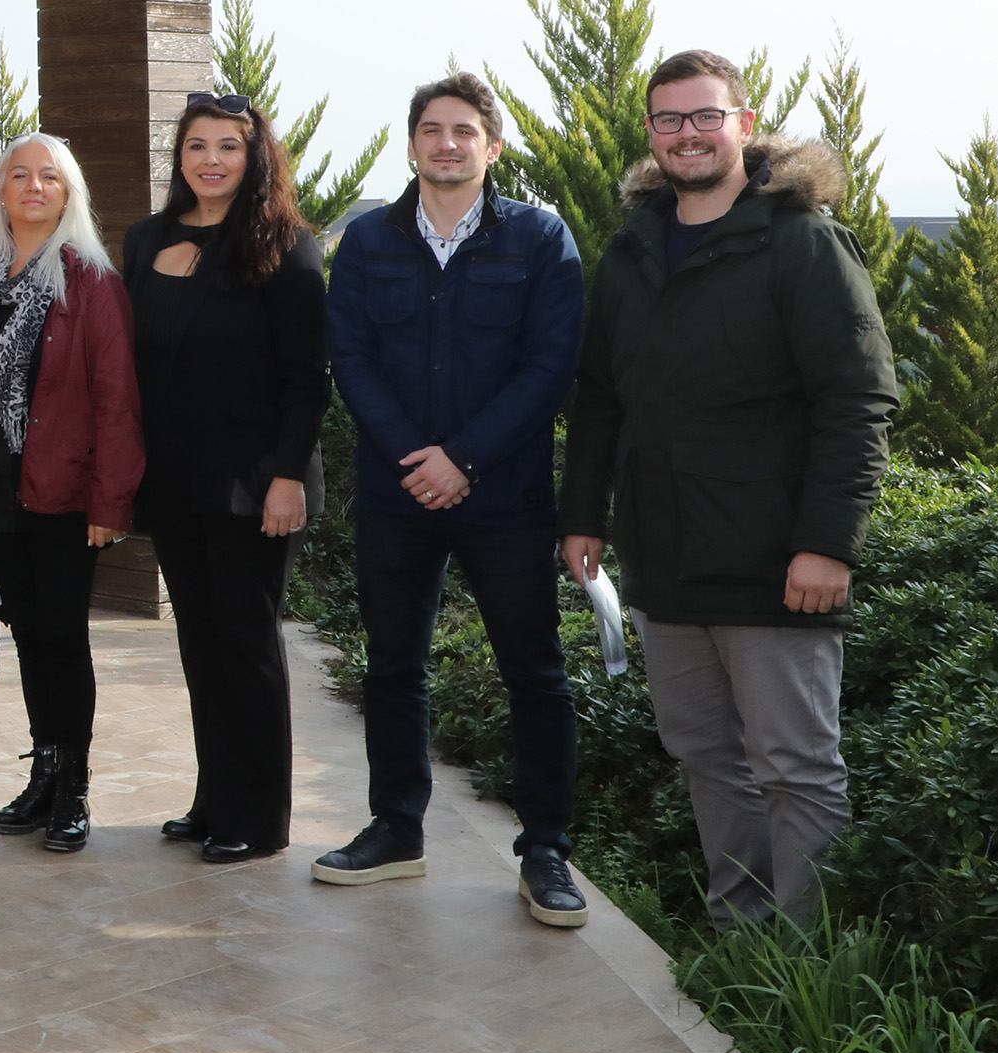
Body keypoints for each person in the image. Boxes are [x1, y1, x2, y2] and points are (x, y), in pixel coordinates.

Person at [561, 50, 897, 927]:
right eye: (669, 119)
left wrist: (827, 543)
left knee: (795, 767)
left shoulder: (804, 243)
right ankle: (740, 938)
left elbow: (857, 402)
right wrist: (583, 515)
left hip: (775, 560)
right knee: (707, 757)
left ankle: (808, 959)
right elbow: (600, 399)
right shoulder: (631, 251)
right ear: (651, 134)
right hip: (665, 557)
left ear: (744, 126)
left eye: (707, 115)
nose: (689, 133)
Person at [319, 74, 588, 925]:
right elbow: (350, 357)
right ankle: (396, 830)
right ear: (410, 145)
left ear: (492, 146)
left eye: (464, 130)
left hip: (505, 495)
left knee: (534, 672)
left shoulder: (539, 237)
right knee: (394, 666)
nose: (446, 143)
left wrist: (464, 458)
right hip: (397, 491)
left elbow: (551, 364)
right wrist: (418, 459)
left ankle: (545, 851)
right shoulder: (368, 240)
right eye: (431, 130)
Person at [123, 93, 328, 865]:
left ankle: (260, 817)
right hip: (173, 480)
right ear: (179, 155)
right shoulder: (145, 240)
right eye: (197, 145)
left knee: (246, 641)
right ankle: (216, 798)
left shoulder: (286, 245)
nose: (210, 160)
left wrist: (287, 478)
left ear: (255, 158)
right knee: (200, 642)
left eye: (228, 147)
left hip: (254, 483)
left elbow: (307, 377)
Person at [0, 131, 141, 854]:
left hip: (64, 493)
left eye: (49, 177)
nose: (34, 187)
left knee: (63, 638)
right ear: (1, 191)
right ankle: (44, 772)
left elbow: (117, 400)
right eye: (20, 175)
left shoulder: (91, 283)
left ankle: (75, 790)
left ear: (69, 195)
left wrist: (110, 502)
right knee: (29, 635)